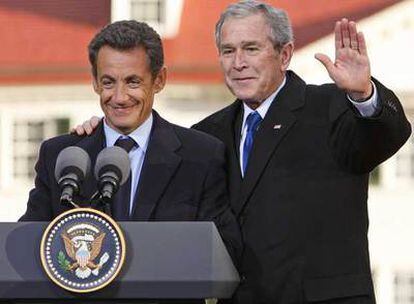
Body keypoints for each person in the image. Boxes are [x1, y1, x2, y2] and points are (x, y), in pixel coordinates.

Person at [74, 1, 412, 303]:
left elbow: (386, 136)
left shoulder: (330, 106)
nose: (238, 63)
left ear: (284, 55)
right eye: (228, 50)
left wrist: (365, 95)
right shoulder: (207, 135)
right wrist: (103, 136)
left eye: (251, 49)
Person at [19, 21, 241, 274]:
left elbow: (226, 250)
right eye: (109, 82)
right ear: (94, 82)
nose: (120, 97)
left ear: (159, 80)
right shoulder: (62, 156)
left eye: (133, 82)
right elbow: (27, 248)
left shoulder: (201, 156)